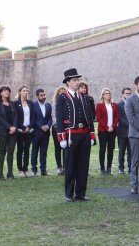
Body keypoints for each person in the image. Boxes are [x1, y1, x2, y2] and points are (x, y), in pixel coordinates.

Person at [56, 68, 96, 202]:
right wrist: (61, 137)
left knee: (83, 165)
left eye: (77, 79)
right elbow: (59, 118)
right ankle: (69, 194)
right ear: (68, 82)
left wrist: (91, 135)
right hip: (70, 135)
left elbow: (90, 118)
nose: (77, 82)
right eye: (74, 80)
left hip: (84, 134)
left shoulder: (84, 98)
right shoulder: (62, 98)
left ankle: (81, 193)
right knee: (70, 166)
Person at [0, 85, 18, 180]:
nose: (7, 92)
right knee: (2, 151)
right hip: (2, 131)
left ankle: (10, 173)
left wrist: (14, 127)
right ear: (1, 93)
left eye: (8, 91)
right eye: (5, 91)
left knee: (11, 152)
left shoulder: (12, 104)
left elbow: (16, 116)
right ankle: (0, 173)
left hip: (13, 132)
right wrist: (9, 127)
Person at [96, 88, 119, 174]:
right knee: (102, 149)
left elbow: (117, 117)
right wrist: (107, 127)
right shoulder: (99, 105)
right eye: (106, 93)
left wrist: (113, 126)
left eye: (109, 93)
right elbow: (99, 118)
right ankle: (102, 168)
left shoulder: (114, 105)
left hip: (112, 130)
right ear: (103, 95)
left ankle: (109, 168)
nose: (108, 95)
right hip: (103, 131)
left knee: (110, 149)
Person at [14, 84, 35, 178]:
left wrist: (29, 127)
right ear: (19, 92)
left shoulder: (30, 103)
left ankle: (25, 168)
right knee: (20, 150)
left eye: (27, 91)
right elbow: (16, 118)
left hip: (29, 130)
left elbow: (33, 117)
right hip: (20, 130)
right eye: (24, 90)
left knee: (27, 150)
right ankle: (20, 170)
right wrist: (23, 128)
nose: (26, 92)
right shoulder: (15, 103)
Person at [31, 89, 52, 176]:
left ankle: (43, 170)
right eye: (41, 95)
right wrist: (41, 126)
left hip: (46, 133)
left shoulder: (48, 105)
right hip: (36, 132)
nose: (43, 97)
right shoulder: (33, 105)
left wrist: (48, 125)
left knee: (44, 152)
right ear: (37, 96)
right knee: (34, 151)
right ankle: (34, 170)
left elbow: (50, 118)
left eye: (44, 95)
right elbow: (33, 118)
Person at [51, 86, 67, 175]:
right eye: (61, 92)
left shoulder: (67, 103)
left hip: (65, 128)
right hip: (56, 127)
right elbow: (54, 116)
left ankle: (65, 166)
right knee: (58, 147)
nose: (62, 94)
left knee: (65, 147)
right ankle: (59, 167)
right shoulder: (54, 103)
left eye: (64, 92)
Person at [117, 88, 132, 174]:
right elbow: (120, 118)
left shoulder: (133, 104)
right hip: (122, 132)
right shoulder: (119, 105)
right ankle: (121, 168)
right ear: (123, 94)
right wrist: (130, 125)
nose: (128, 95)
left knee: (131, 152)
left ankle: (130, 168)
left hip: (132, 132)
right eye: (127, 93)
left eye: (130, 93)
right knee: (121, 151)